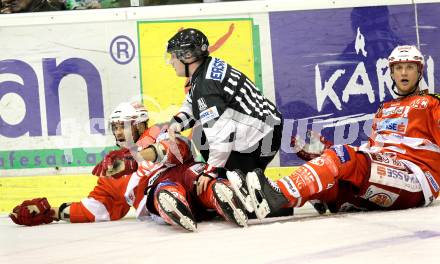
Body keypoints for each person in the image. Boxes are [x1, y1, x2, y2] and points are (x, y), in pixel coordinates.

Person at [237, 45, 440, 219]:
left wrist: (336, 154)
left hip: (415, 177)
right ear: (392, 73)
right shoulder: (383, 108)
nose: (404, 73)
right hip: (386, 173)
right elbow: (371, 152)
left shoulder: (431, 103)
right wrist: (324, 149)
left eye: (410, 68)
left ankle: (279, 193)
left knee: (341, 156)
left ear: (419, 72)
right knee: (330, 183)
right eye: (399, 68)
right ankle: (264, 206)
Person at [9, 101, 247, 231]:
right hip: (159, 198)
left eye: (124, 125)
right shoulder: (112, 167)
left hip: (186, 177)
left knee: (195, 174)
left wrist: (136, 158)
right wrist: (55, 211)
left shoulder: (161, 131)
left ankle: (218, 195)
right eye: (116, 127)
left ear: (141, 125)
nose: (119, 132)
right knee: (160, 191)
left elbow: (180, 148)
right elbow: (97, 208)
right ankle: (173, 202)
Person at [165, 28, 284, 213]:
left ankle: (272, 203)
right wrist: (177, 122)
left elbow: (222, 133)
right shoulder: (206, 69)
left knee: (248, 205)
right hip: (266, 128)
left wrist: (210, 171)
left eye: (173, 56)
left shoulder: (205, 85)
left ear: (187, 56)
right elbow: (192, 102)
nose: (171, 61)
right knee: (202, 135)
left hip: (260, 138)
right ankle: (236, 183)